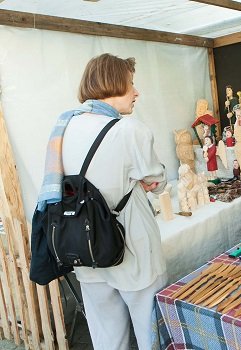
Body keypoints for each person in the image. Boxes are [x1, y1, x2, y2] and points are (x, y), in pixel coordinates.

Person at [37, 53, 167, 349]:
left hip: (86, 249)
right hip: (133, 250)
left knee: (107, 339)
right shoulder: (130, 129)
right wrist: (142, 181)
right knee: (152, 336)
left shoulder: (64, 126)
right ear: (112, 84)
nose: (137, 93)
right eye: (131, 84)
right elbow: (157, 182)